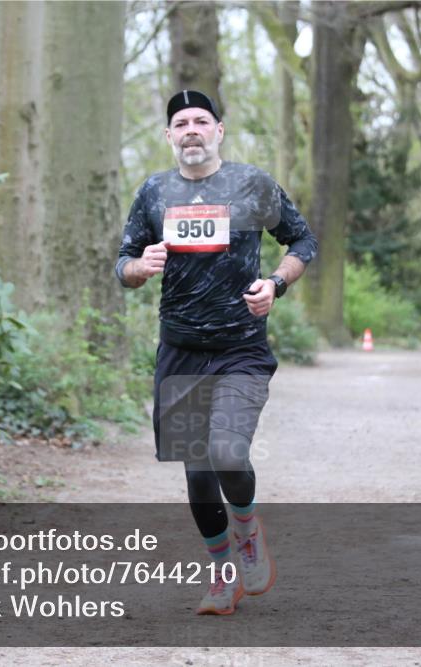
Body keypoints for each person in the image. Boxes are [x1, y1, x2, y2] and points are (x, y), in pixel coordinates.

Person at [114, 90, 317, 615]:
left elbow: (302, 243)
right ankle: (222, 574)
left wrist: (275, 283)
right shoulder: (154, 192)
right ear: (169, 137)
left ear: (219, 130)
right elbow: (123, 265)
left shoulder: (252, 184)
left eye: (201, 121)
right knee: (198, 474)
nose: (192, 130)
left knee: (226, 452)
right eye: (181, 123)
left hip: (240, 349)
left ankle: (247, 530)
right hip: (180, 351)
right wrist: (142, 265)